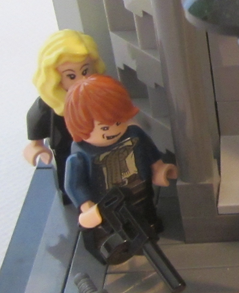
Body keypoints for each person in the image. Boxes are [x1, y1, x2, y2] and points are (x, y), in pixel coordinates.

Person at [63, 75, 177, 244]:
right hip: (108, 203)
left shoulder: (134, 135)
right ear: (81, 126)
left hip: (140, 190)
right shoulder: (80, 156)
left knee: (146, 213)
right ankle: (122, 240)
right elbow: (75, 185)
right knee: (115, 226)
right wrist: (87, 208)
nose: (114, 130)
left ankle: (150, 226)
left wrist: (159, 169)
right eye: (105, 127)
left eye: (119, 122)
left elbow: (150, 152)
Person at [23, 30, 105, 199]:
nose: (81, 80)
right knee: (69, 181)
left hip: (99, 146)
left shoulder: (99, 95)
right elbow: (35, 123)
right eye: (71, 76)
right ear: (54, 77)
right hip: (65, 149)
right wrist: (36, 146)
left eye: (85, 71)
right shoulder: (50, 105)